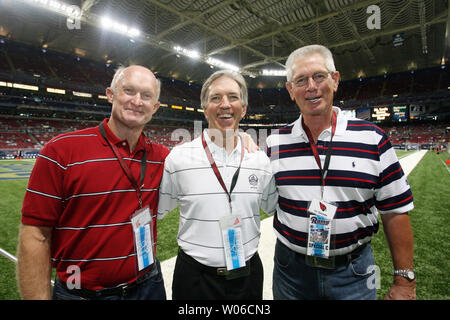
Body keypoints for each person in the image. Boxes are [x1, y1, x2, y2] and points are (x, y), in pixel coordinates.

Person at [266, 44, 415, 300]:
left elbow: (395, 211)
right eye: (301, 80)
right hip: (291, 271)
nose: (311, 86)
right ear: (291, 90)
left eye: (319, 76)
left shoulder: (372, 138)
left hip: (353, 271)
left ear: (335, 80)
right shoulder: (274, 143)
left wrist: (405, 280)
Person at [17, 65, 169, 300]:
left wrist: (238, 138)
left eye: (146, 95)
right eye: (129, 91)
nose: (137, 101)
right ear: (110, 94)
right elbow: (36, 233)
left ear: (155, 107)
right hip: (80, 293)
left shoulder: (162, 157)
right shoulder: (60, 151)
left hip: (148, 286)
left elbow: (206, 158)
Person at [157, 70, 277, 300]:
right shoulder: (179, 158)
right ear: (205, 107)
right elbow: (159, 210)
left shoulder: (260, 159)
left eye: (233, 97)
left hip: (247, 277)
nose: (225, 104)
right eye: (215, 98)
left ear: (243, 108)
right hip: (195, 280)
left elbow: (275, 208)